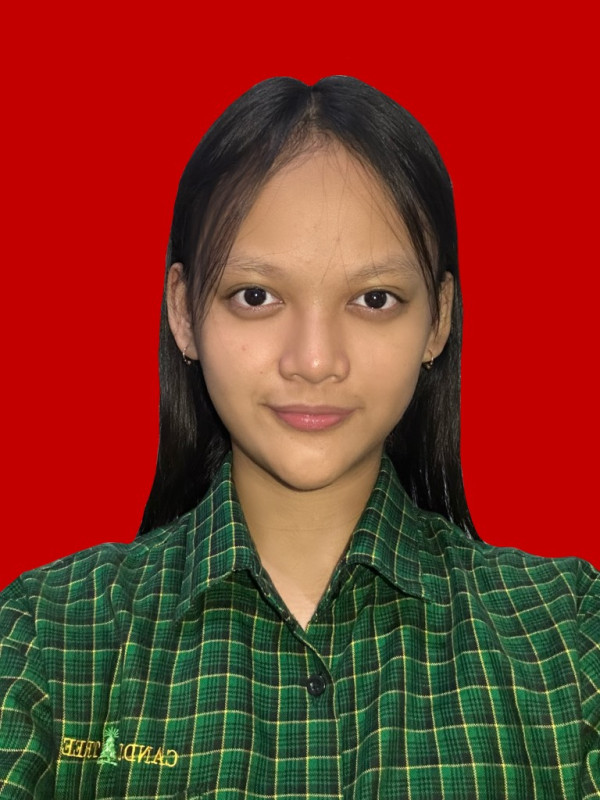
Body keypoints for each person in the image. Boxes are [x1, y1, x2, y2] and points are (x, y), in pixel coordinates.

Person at [1, 76, 598, 799]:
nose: (314, 361)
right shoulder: (47, 638)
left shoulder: (569, 637)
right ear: (183, 313)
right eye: (256, 296)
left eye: (374, 299)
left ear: (438, 320)